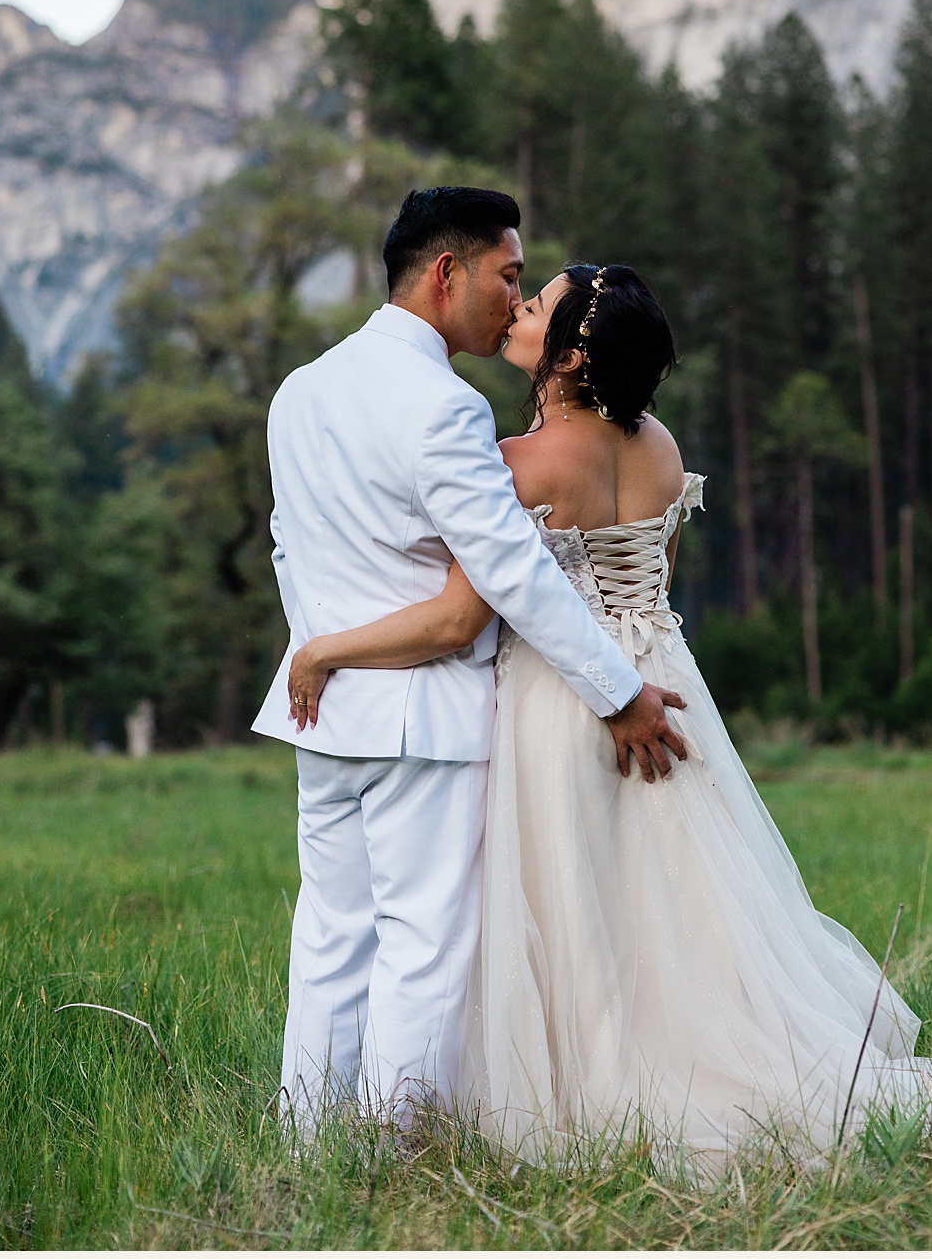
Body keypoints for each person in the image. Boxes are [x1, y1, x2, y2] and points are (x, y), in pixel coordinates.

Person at [285, 258, 932, 1164]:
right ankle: (703, 1051)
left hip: (558, 698)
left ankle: (572, 1090)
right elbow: (653, 586)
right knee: (675, 899)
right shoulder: (662, 448)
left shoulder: (518, 463)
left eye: (538, 307)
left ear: (569, 359)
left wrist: (328, 645)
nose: (519, 310)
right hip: (661, 680)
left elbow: (459, 616)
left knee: (569, 901)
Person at [250, 187, 687, 1138]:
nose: (513, 297)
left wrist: (319, 649)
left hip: (322, 710)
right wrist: (619, 693)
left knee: (329, 937)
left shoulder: (301, 390)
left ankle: (307, 1142)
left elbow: (289, 547)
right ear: (448, 273)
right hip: (426, 720)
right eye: (509, 276)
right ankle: (391, 1149)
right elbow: (515, 577)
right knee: (423, 946)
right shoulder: (445, 407)